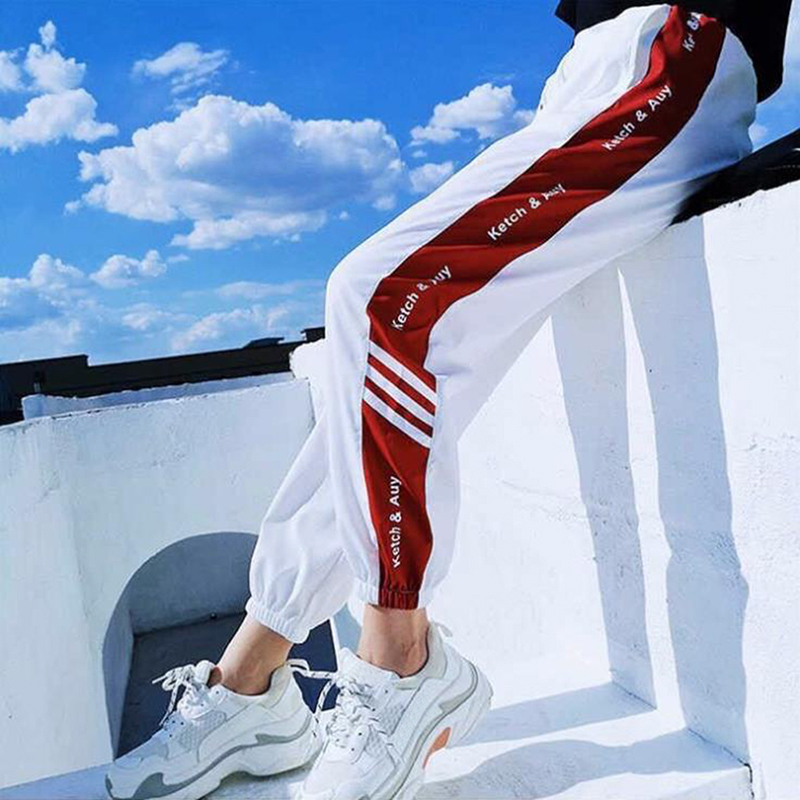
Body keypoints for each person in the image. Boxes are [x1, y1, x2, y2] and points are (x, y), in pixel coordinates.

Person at [105, 2, 792, 799]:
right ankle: (252, 679)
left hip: (674, 54)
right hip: (588, 75)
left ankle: (404, 655)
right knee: (377, 377)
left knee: (383, 300)